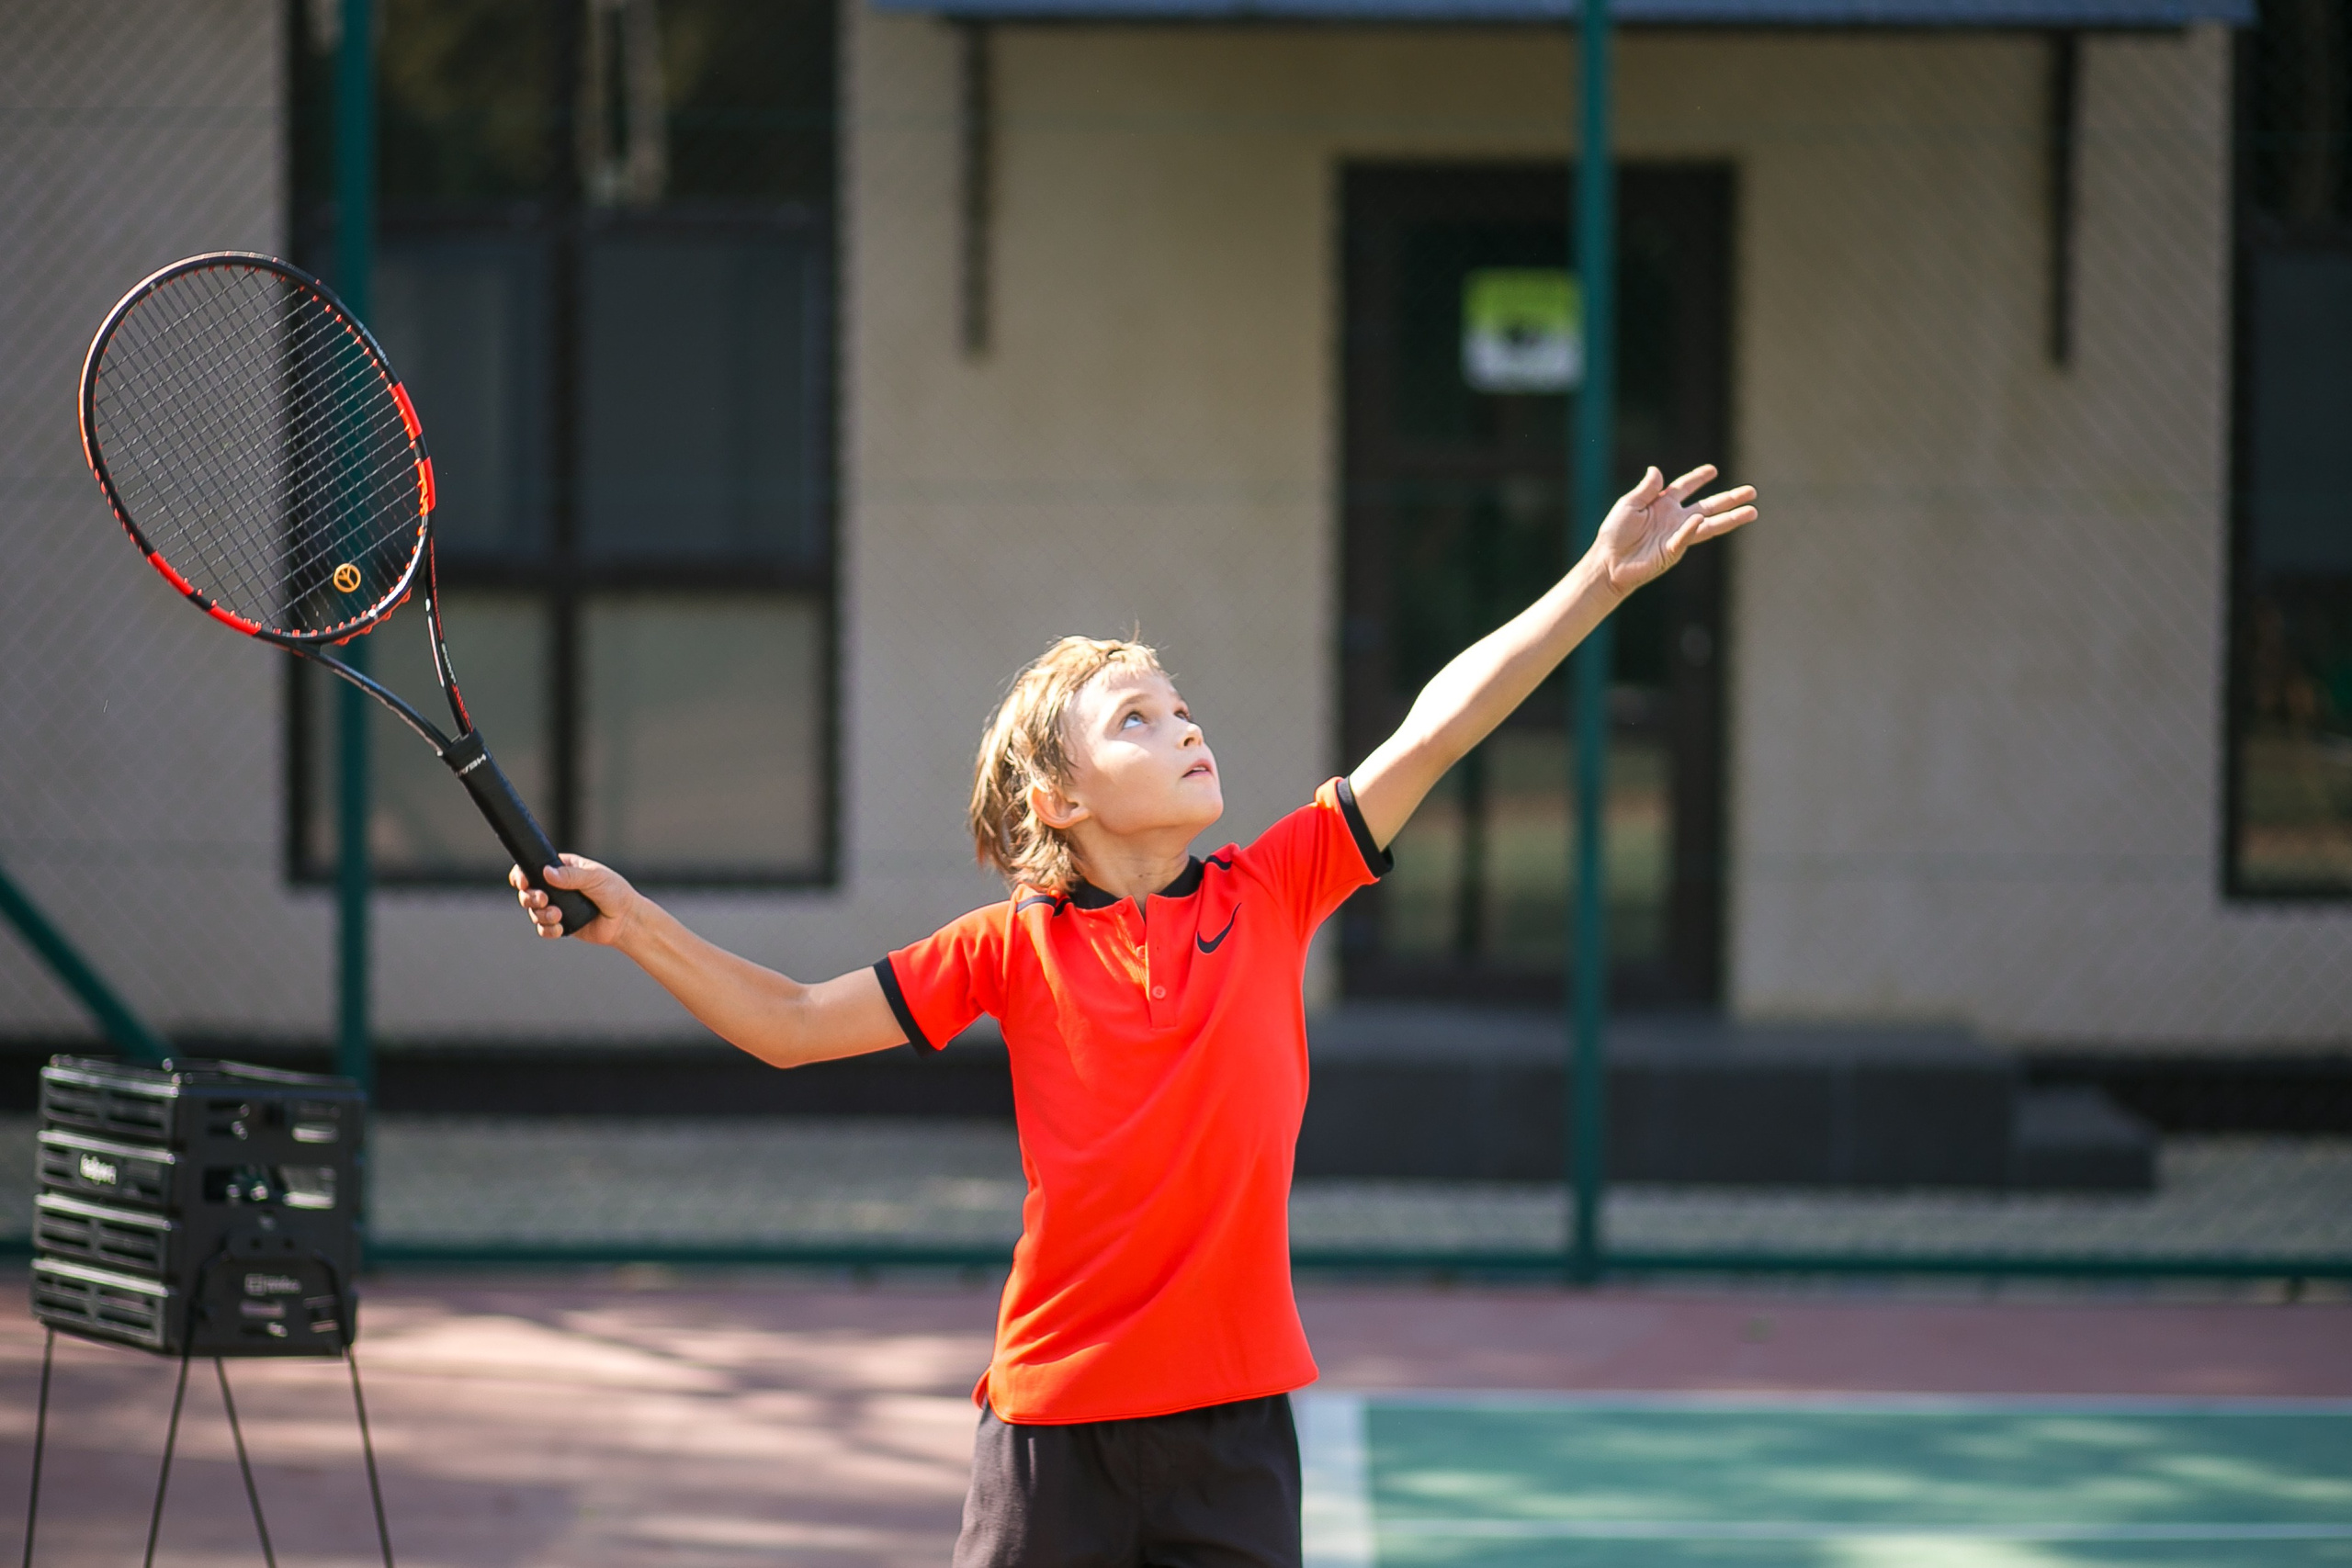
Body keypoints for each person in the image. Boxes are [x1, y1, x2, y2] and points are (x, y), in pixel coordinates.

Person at [513, 462, 1757, 1567]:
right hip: (1052, 1432)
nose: (1185, 726)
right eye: (1137, 720)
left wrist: (1597, 581)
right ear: (1059, 800)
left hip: (1235, 1428)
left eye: (1181, 706)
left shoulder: (1277, 886)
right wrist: (633, 924)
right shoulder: (1008, 949)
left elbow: (1436, 726)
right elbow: (788, 1021)